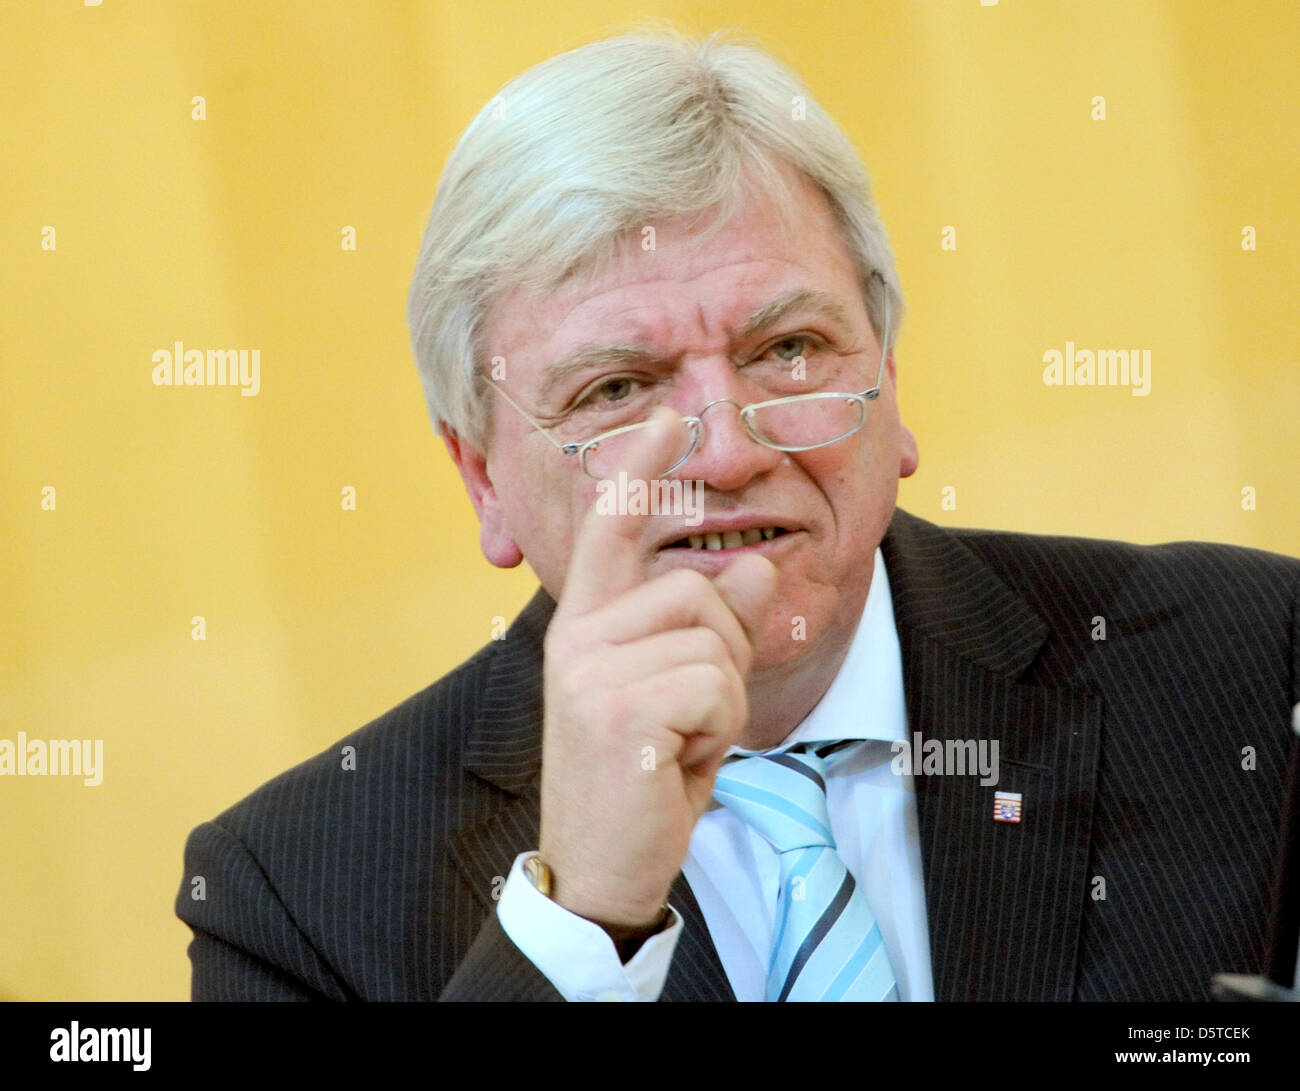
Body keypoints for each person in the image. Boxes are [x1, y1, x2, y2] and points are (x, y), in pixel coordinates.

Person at [175, 26, 1300, 1002]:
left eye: (788, 350)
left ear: (891, 380)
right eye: (615, 389)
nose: (726, 448)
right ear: (484, 477)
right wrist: (584, 920)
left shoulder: (1245, 660)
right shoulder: (299, 895)